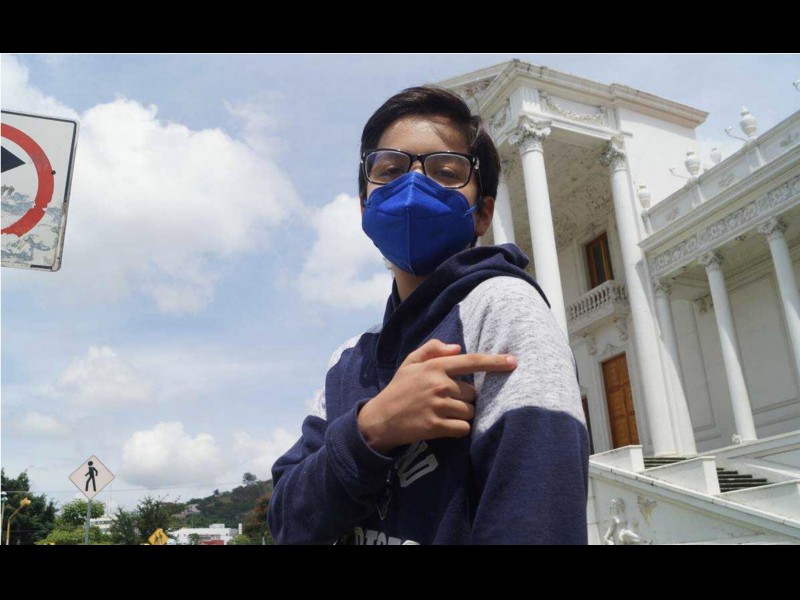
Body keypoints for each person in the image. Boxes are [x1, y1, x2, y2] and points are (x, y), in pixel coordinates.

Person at [268, 85, 589, 545]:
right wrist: (371, 428)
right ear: (364, 204)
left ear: (483, 213)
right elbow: (286, 523)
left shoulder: (502, 310)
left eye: (445, 171)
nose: (413, 185)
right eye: (390, 170)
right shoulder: (347, 361)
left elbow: (537, 521)